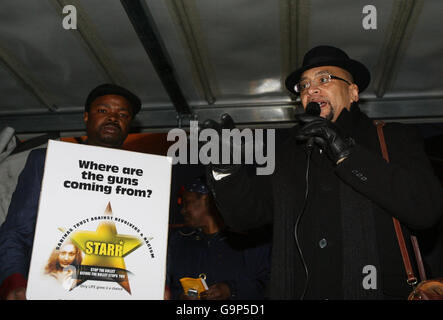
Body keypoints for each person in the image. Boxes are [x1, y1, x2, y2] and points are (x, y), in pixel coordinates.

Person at [205, 45, 443, 299]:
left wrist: (346, 154)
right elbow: (245, 218)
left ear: (353, 92)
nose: (311, 89)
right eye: (304, 85)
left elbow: (425, 209)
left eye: (324, 79)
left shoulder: (393, 137)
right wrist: (227, 170)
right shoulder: (287, 155)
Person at [0, 83, 141, 300]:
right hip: (49, 288)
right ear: (86, 117)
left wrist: (161, 283)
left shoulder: (146, 176)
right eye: (103, 111)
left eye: (122, 114)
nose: (113, 118)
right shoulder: (47, 162)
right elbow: (16, 231)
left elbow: (155, 241)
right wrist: (15, 281)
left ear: (130, 123)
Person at [166, 177, 271, 300]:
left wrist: (230, 290)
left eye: (187, 202)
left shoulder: (249, 241)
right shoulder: (179, 241)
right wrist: (180, 296)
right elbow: (167, 285)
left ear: (207, 200)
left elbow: (268, 284)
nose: (183, 210)